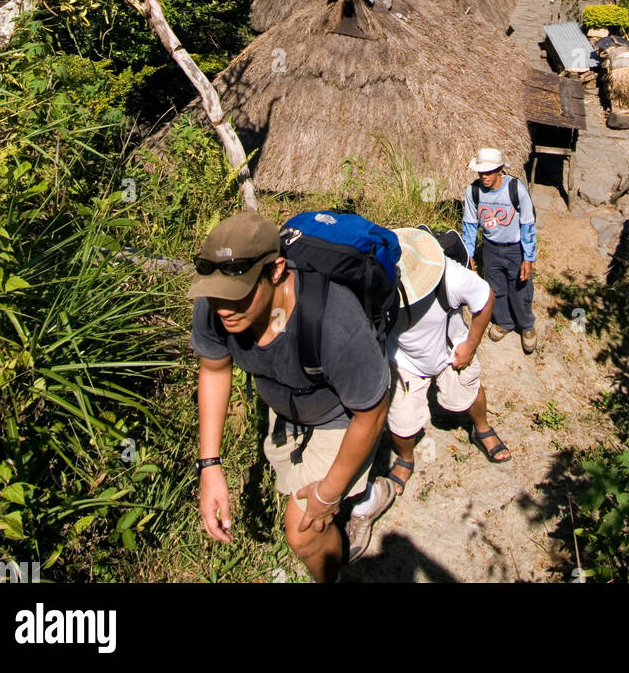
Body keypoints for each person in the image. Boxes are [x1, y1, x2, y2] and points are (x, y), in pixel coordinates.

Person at [188, 212, 396, 582]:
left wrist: (328, 494)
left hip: (341, 414)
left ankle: (335, 564)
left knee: (302, 529)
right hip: (285, 404)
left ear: (277, 270)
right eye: (218, 296)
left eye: (239, 296)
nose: (224, 309)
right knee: (294, 487)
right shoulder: (216, 304)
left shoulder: (333, 321)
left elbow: (372, 413)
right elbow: (214, 370)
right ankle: (362, 496)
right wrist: (210, 466)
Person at [384, 227, 510, 496]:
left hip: (449, 349)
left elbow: (486, 297)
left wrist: (471, 346)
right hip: (403, 358)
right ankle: (406, 458)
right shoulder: (374, 280)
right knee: (401, 420)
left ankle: (482, 429)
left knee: (471, 392)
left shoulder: (450, 276)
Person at [462, 147, 538, 354]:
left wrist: (528, 258)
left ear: (499, 170)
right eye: (481, 172)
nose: (484, 176)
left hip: (515, 248)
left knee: (521, 288)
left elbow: (528, 224)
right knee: (496, 288)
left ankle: (526, 325)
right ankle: (504, 321)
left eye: (489, 172)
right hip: (490, 248)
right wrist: (468, 255)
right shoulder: (473, 192)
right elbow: (469, 225)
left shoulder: (515, 189)